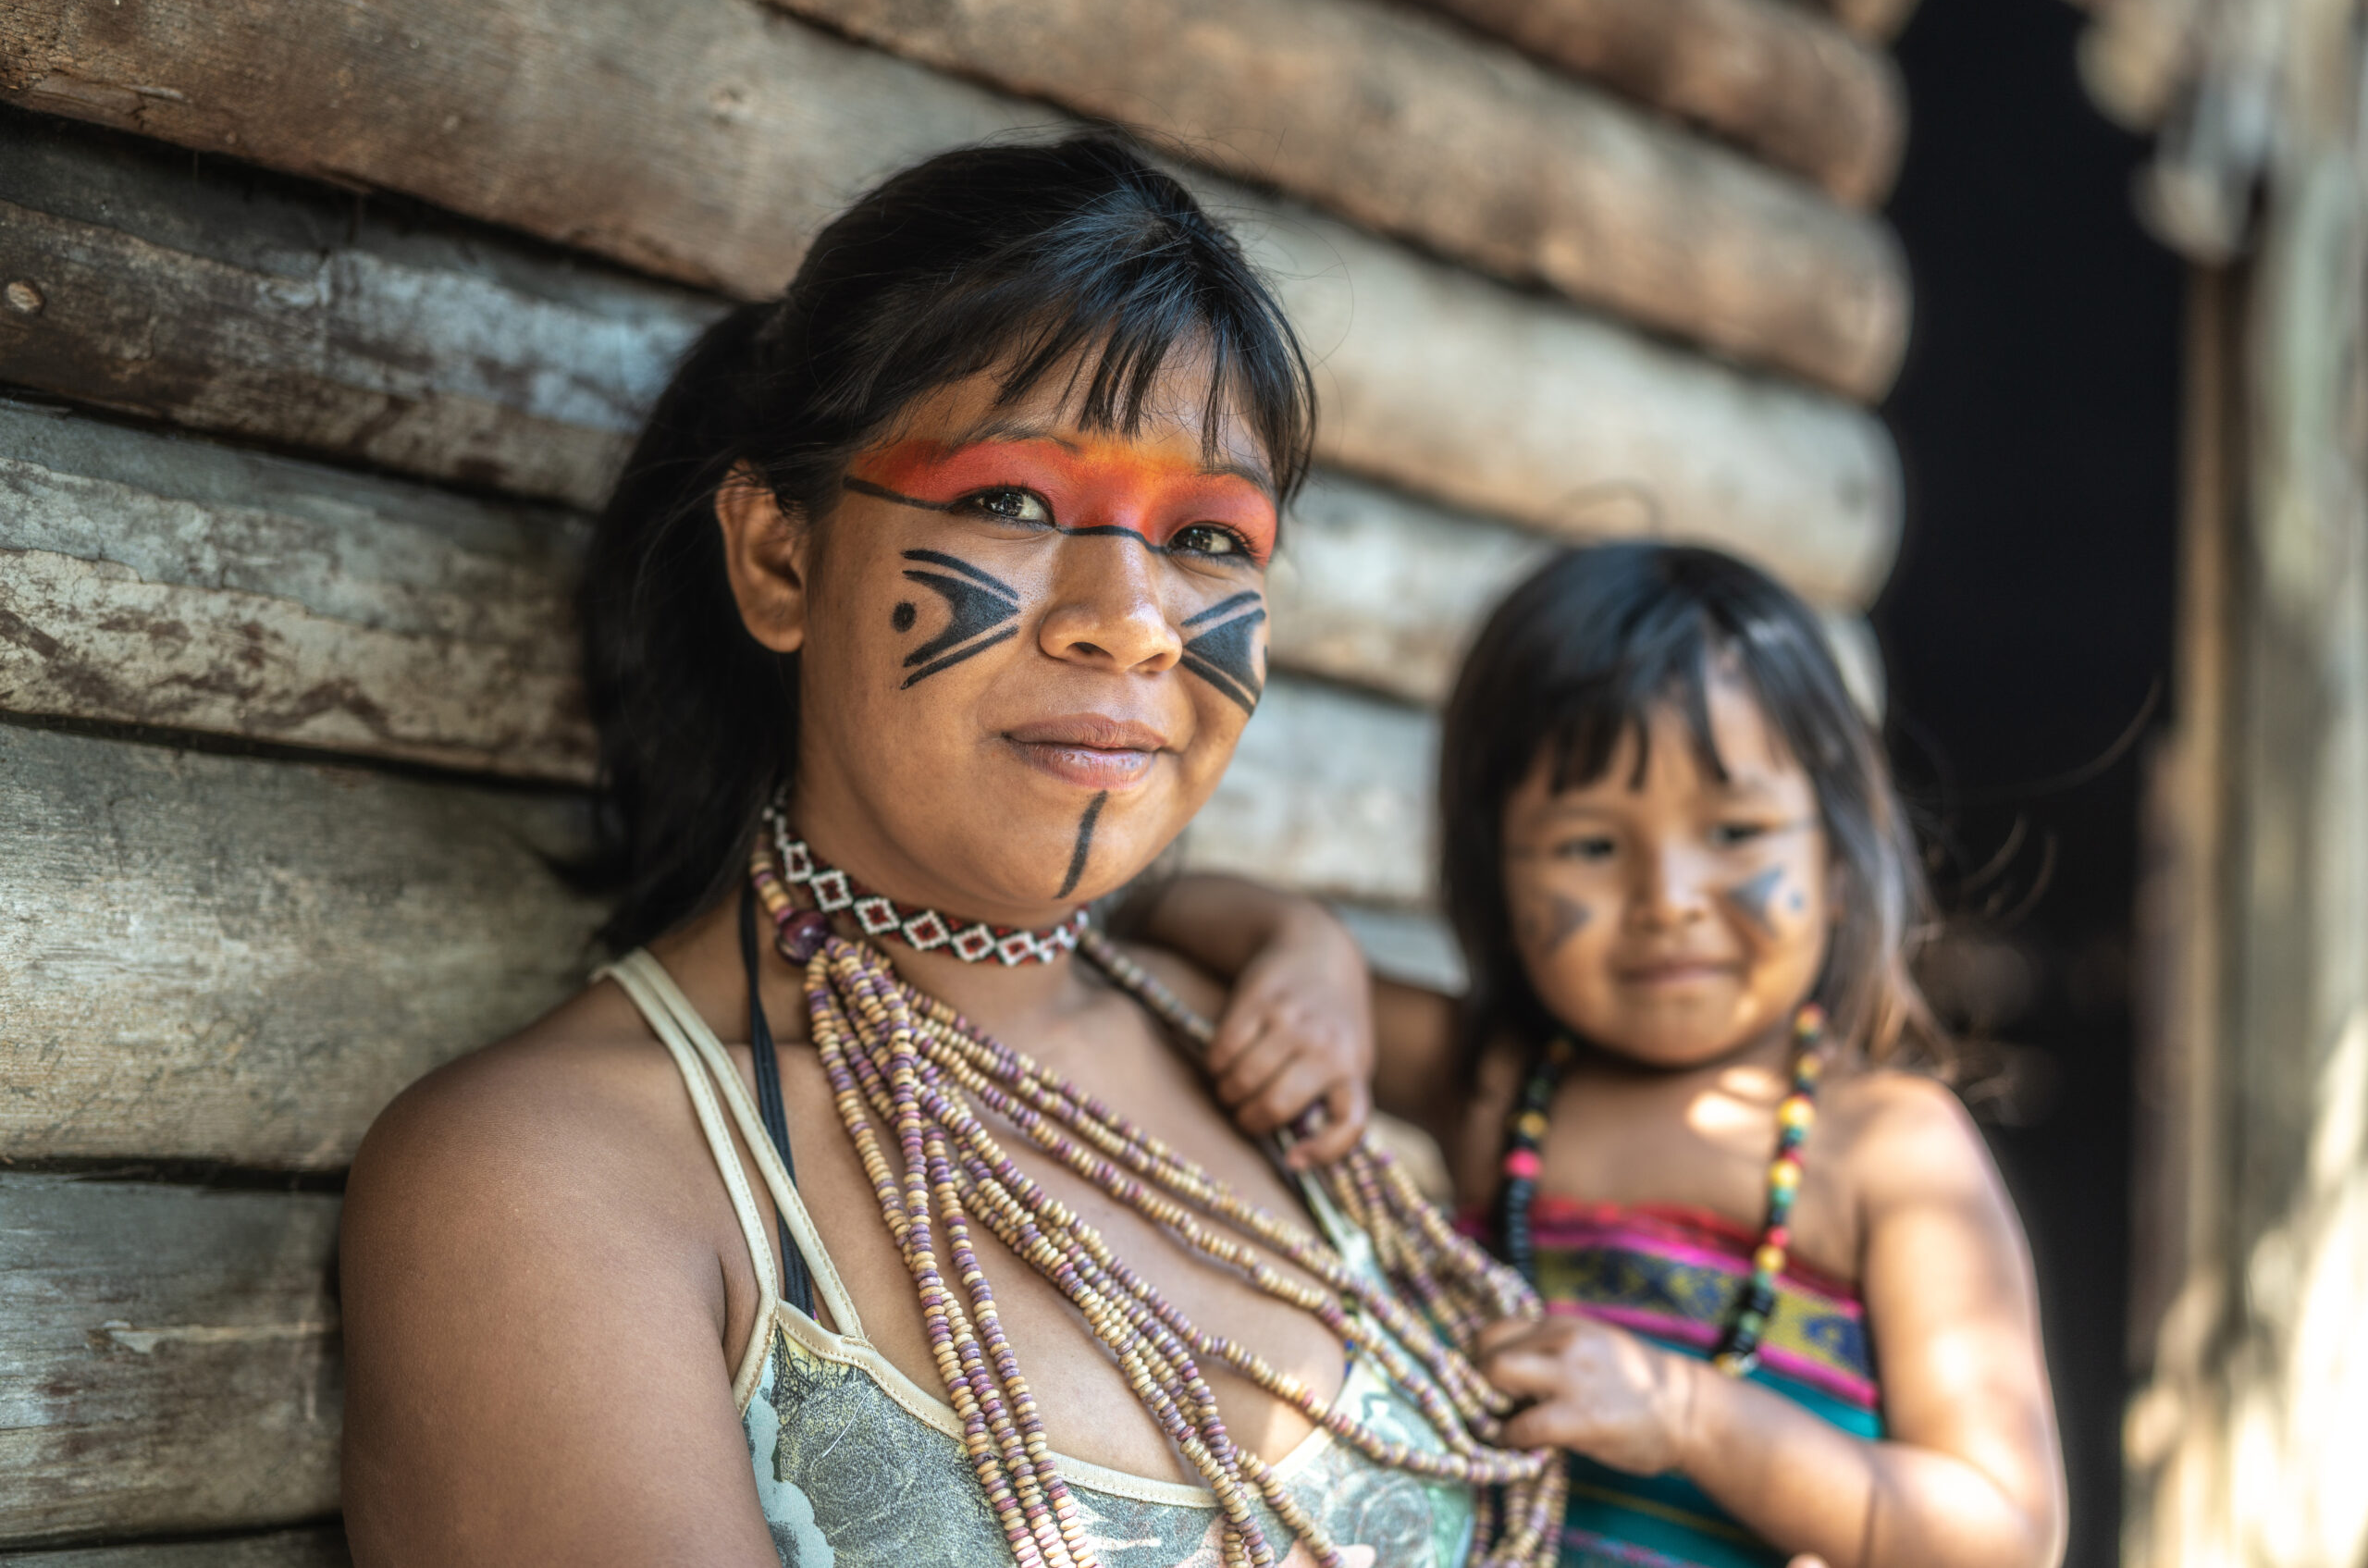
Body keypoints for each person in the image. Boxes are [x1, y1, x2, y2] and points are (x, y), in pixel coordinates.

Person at [338, 134, 1561, 1568]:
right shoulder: (546, 1183)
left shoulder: (1276, 1055)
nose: (1134, 618)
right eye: (1009, 503)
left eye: (1210, 538)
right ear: (780, 560)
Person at [1150, 543, 2069, 1568]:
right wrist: (1305, 949)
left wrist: (1685, 1416)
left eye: (1733, 830)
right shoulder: (1494, 1081)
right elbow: (1156, 907)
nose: (1667, 897)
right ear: (1496, 877)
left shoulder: (1889, 1148)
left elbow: (2002, 1532)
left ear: (1839, 860)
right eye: (1591, 845)